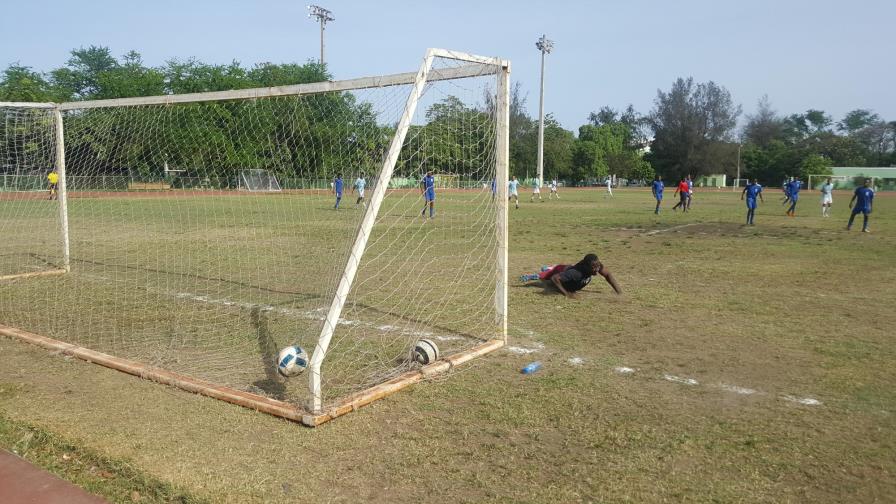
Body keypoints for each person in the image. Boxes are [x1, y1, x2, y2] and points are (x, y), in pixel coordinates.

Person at [520, 253, 621, 299]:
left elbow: (608, 274)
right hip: (561, 270)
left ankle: (549, 268)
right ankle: (536, 274)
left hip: (567, 269)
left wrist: (619, 291)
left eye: (598, 266)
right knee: (545, 276)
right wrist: (567, 294)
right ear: (587, 267)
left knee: (560, 269)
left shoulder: (596, 265)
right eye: (594, 267)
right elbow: (555, 278)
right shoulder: (576, 274)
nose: (597, 270)